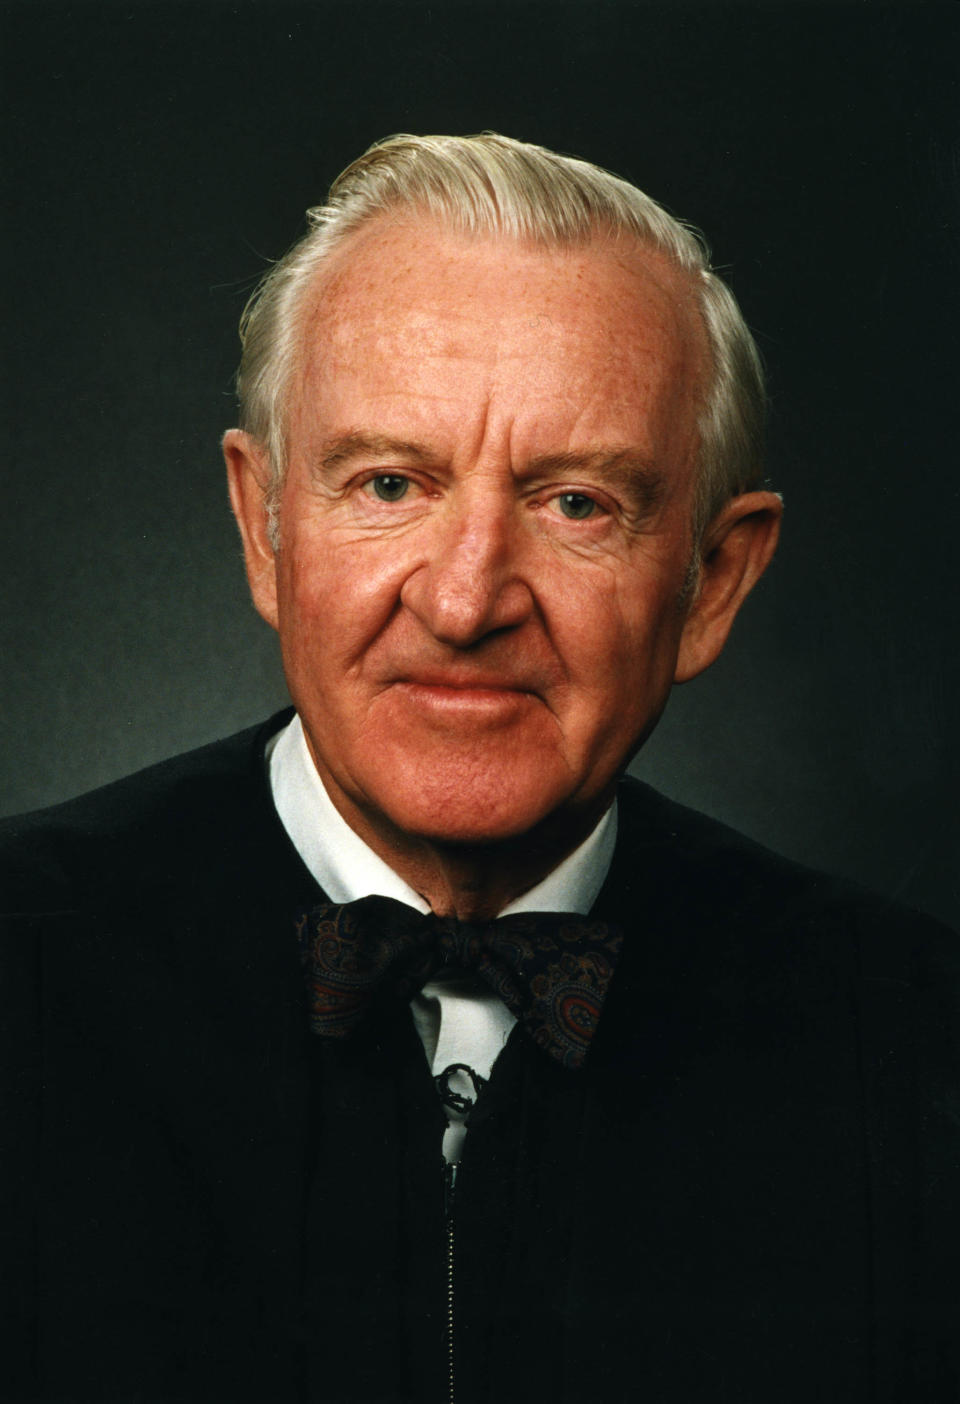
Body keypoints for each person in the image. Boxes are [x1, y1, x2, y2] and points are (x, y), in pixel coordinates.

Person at [2, 133, 956, 1404]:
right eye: (390, 483)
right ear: (265, 526)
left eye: (577, 505)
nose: (464, 601)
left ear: (712, 583)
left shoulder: (907, 1042)